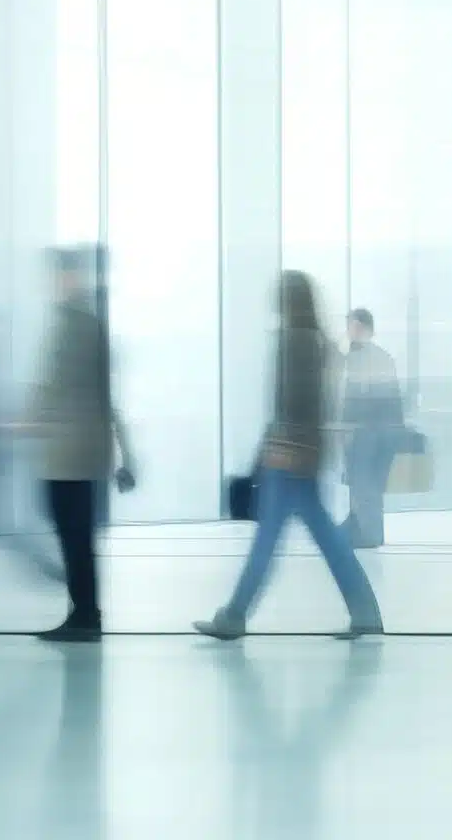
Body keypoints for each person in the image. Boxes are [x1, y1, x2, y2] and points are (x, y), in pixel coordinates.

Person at [194, 271, 383, 641]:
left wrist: (268, 454)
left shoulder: (293, 342)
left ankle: (234, 616)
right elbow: (317, 407)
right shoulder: (319, 344)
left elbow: (289, 406)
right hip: (305, 454)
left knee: (268, 541)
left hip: (286, 455)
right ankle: (365, 611)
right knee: (325, 537)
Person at [26, 246, 135, 642]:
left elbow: (61, 386)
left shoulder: (76, 324)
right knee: (74, 529)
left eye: (58, 274)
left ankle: (85, 612)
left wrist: (32, 418)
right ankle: (85, 609)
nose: (53, 282)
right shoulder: (82, 321)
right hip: (77, 447)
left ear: (70, 277)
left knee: (72, 529)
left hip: (72, 449)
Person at [341, 308, 403, 549]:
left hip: (367, 430)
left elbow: (360, 396)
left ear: (365, 329)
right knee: (367, 484)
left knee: (364, 482)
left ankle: (366, 532)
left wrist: (347, 425)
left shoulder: (363, 358)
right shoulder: (379, 356)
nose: (350, 332)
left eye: (353, 327)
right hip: (377, 430)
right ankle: (366, 529)